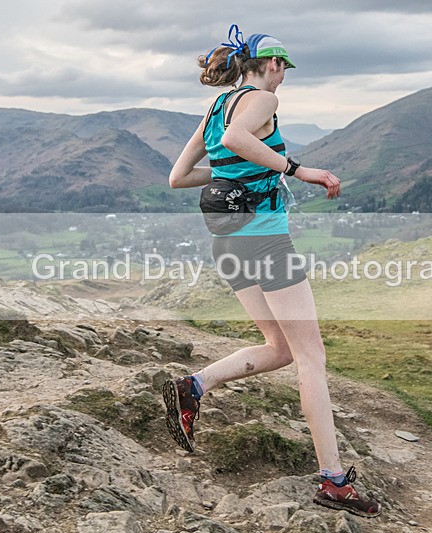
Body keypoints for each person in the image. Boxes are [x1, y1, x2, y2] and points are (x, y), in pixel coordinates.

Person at [163, 24, 381, 519]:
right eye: (284, 69)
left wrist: (237, 172)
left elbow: (179, 178)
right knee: (311, 357)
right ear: (273, 65)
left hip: (228, 241)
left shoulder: (215, 109)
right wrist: (296, 169)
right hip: (264, 239)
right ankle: (333, 481)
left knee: (280, 348)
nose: (283, 79)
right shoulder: (260, 99)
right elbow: (243, 138)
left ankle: (193, 387)